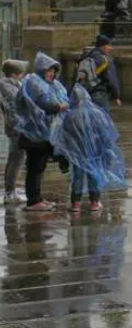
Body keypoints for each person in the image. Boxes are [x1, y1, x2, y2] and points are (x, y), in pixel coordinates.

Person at [53, 84, 127, 213]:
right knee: (94, 175)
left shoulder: (71, 115)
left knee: (78, 177)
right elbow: (105, 133)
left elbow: (65, 136)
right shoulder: (97, 113)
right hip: (95, 153)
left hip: (78, 153)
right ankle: (94, 202)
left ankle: (76, 203)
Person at [13, 53, 70, 211]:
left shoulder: (46, 83)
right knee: (35, 167)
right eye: (48, 71)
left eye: (53, 71)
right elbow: (44, 104)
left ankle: (37, 198)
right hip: (33, 134)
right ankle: (33, 201)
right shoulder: (34, 83)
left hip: (42, 133)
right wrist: (60, 107)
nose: (51, 73)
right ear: (41, 70)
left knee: (39, 167)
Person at [1, 60, 26, 203]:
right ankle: (10, 192)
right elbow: (15, 107)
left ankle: (10, 191)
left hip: (15, 126)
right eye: (21, 73)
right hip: (16, 127)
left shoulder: (9, 85)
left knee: (15, 158)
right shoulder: (8, 87)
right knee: (16, 159)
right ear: (16, 74)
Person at [75, 35, 121, 110]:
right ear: (103, 46)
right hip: (99, 94)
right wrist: (116, 96)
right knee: (103, 119)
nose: (110, 48)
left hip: (83, 94)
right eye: (109, 45)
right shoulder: (105, 60)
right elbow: (112, 80)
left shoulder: (85, 57)